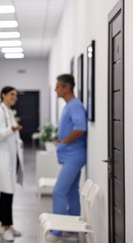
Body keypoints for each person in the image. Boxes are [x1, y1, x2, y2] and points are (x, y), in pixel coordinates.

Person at [48, 74, 87, 240]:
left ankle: (57, 229)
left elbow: (80, 128)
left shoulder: (75, 106)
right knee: (71, 191)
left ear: (66, 88)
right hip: (71, 154)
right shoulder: (69, 105)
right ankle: (72, 229)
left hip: (74, 155)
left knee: (59, 191)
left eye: (58, 86)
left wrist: (65, 140)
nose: (56, 90)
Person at [0, 86, 24, 242]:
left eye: (16, 95)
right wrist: (12, 129)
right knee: (7, 193)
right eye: (11, 94)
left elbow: (11, 135)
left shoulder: (9, 111)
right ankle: (6, 227)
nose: (14, 97)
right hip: (4, 159)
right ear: (3, 95)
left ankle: (5, 225)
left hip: (11, 157)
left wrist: (19, 140)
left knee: (8, 193)